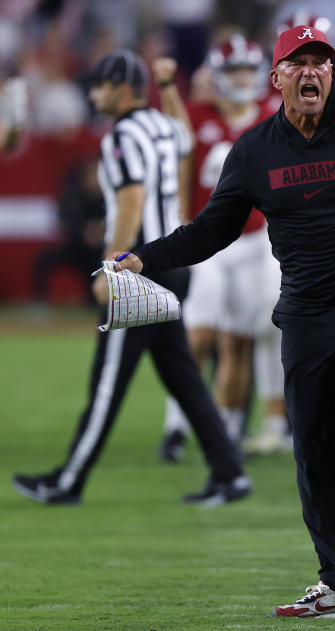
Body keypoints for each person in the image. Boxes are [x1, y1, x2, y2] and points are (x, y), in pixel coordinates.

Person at [111, 26, 335, 617]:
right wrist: (145, 257)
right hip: (308, 308)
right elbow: (211, 229)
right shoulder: (255, 150)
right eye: (298, 64)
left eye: (321, 64)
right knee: (313, 441)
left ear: (333, 74)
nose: (311, 73)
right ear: (277, 78)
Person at [11, 49, 251, 507]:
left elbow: (132, 201)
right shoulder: (163, 125)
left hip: (141, 268)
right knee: (183, 376)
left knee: (108, 380)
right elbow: (184, 137)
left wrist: (110, 265)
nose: (93, 94)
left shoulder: (122, 133)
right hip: (175, 261)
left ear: (120, 89)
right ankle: (230, 473)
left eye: (99, 86)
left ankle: (68, 480)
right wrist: (167, 91)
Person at [153, 36, 287, 459]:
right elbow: (176, 137)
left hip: (253, 239)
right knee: (199, 337)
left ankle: (227, 429)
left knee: (239, 340)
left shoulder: (272, 117)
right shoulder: (197, 116)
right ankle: (176, 425)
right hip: (207, 242)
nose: (243, 79)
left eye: (249, 70)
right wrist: (170, 88)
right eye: (234, 71)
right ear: (218, 76)